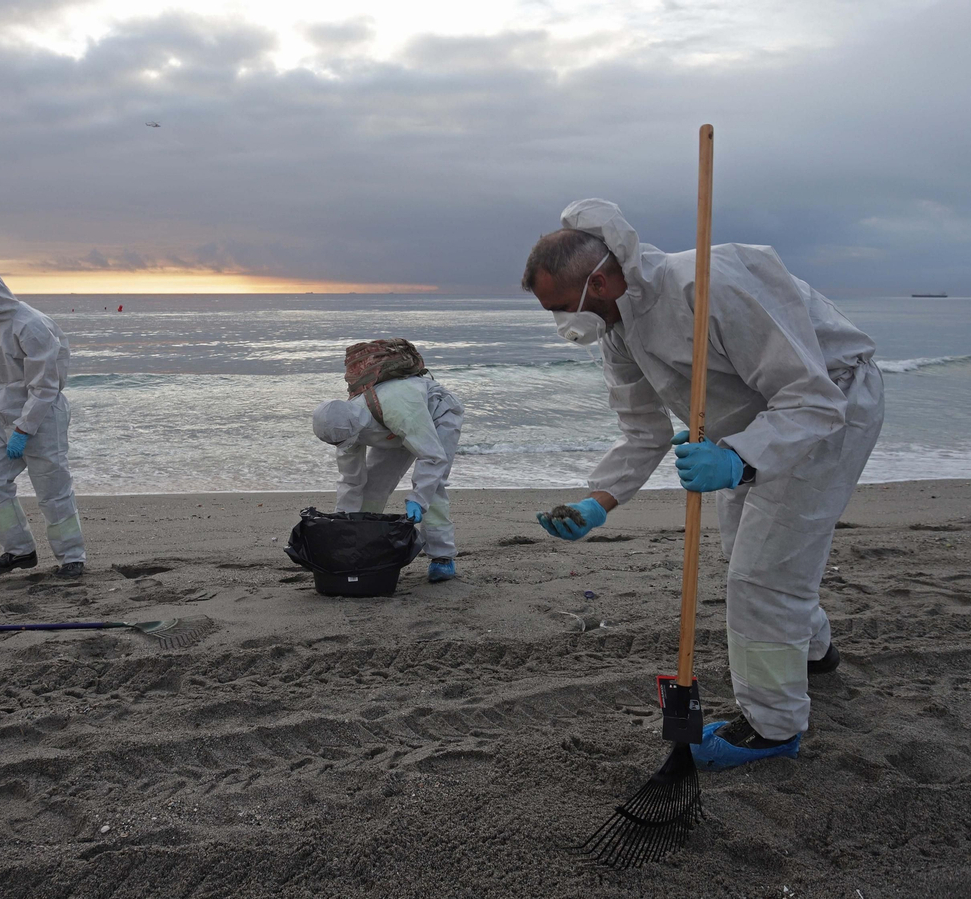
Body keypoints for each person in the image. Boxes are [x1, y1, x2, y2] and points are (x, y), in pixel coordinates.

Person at [523, 199, 883, 771]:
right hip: (746, 425)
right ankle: (812, 654)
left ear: (600, 279)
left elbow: (809, 397)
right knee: (749, 552)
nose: (562, 321)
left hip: (828, 406)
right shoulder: (616, 327)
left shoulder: (707, 287)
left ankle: (772, 728)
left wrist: (737, 460)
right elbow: (642, 429)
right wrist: (600, 500)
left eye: (563, 306)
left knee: (762, 575)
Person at [0, 268, 86, 579]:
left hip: (42, 420)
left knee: (53, 491)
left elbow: (45, 386)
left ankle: (72, 557)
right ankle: (20, 551)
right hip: (2, 419)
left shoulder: (31, 325)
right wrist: (7, 423)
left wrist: (23, 428)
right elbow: (3, 381)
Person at [311, 374, 465, 583]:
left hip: (437, 413)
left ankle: (442, 557)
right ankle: (363, 543)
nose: (346, 445)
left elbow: (432, 457)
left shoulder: (397, 409)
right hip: (393, 431)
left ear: (355, 426)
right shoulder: (342, 429)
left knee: (432, 486)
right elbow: (351, 480)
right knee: (373, 486)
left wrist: (418, 500)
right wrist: (343, 524)